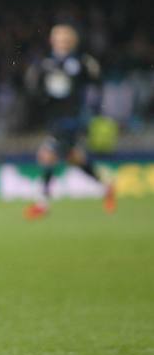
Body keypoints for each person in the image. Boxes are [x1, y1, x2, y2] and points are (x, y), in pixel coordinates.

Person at [23, 24, 115, 220]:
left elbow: (97, 83)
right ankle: (106, 185)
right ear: (52, 41)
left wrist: (94, 110)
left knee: (47, 155)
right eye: (58, 38)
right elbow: (35, 90)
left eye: (66, 39)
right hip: (53, 118)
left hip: (72, 118)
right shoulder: (45, 63)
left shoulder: (81, 62)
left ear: (72, 41)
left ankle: (42, 203)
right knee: (74, 157)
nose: (62, 42)